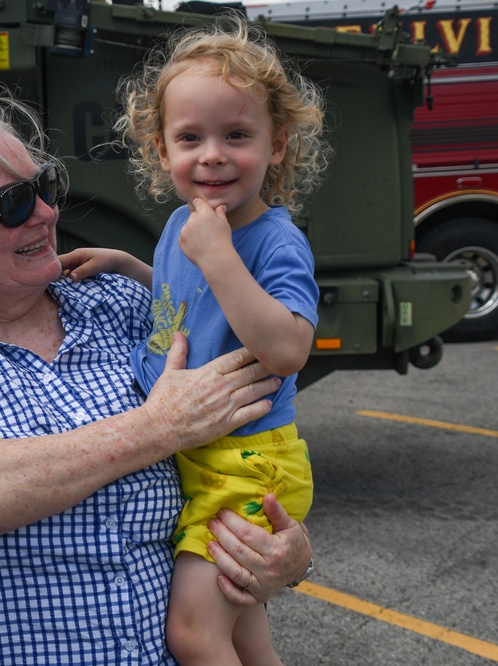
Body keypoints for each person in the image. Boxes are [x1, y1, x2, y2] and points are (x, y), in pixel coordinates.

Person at [0, 87, 313, 665]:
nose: (46, 212)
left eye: (45, 186)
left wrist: (288, 554)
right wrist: (158, 428)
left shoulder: (116, 306)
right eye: (10, 204)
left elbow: (252, 440)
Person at [60, 15, 330, 665]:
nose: (212, 154)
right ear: (161, 150)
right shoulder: (185, 224)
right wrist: (135, 267)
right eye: (190, 137)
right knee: (242, 634)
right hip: (202, 451)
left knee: (192, 634)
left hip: (247, 460)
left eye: (237, 135)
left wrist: (219, 258)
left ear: (279, 145)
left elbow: (288, 348)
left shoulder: (271, 240)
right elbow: (193, 308)